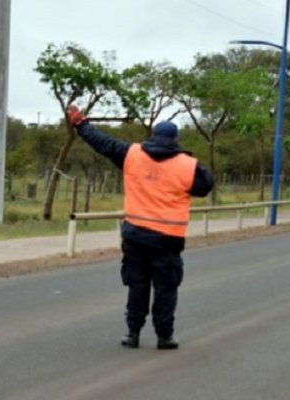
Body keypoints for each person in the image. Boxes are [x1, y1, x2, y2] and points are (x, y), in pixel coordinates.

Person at [67, 106, 213, 350]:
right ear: (175, 140)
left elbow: (102, 142)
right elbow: (205, 185)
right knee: (166, 288)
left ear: (152, 136)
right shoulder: (187, 166)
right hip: (168, 240)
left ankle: (132, 333)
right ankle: (164, 337)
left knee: (138, 285)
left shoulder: (131, 154)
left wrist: (81, 124)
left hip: (136, 236)